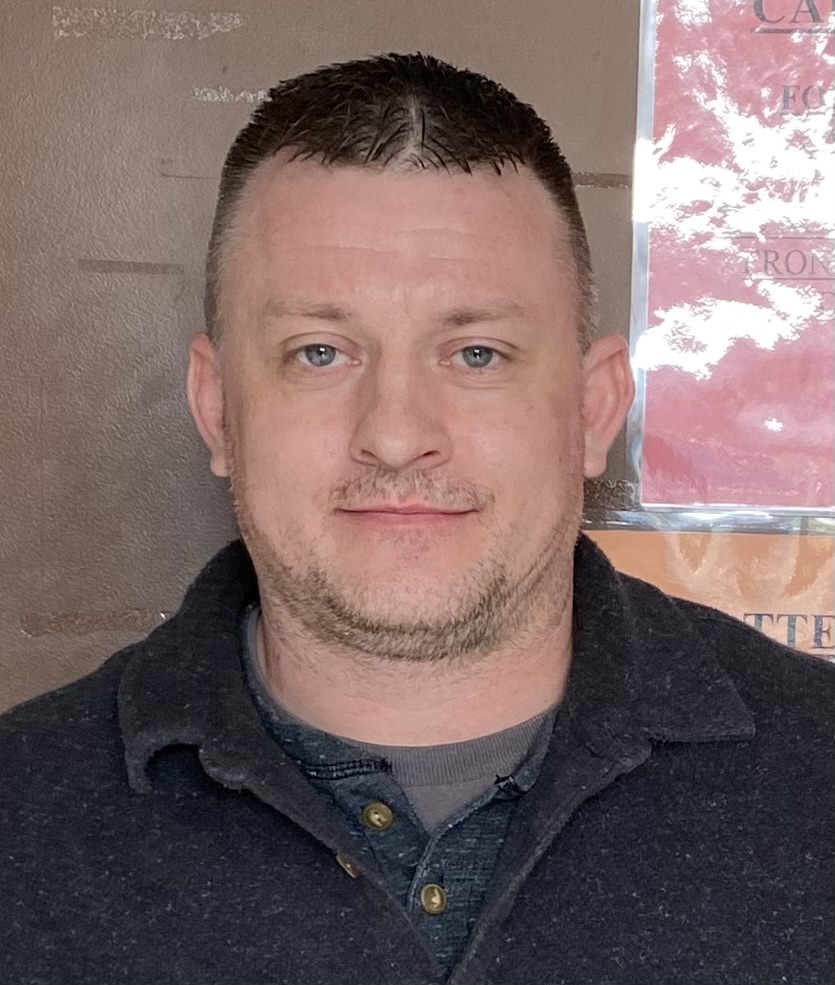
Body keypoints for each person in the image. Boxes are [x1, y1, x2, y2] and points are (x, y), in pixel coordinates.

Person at [1, 52, 832, 985]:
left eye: (476, 354)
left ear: (592, 409)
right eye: (320, 352)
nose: (395, 436)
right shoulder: (21, 821)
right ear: (217, 406)